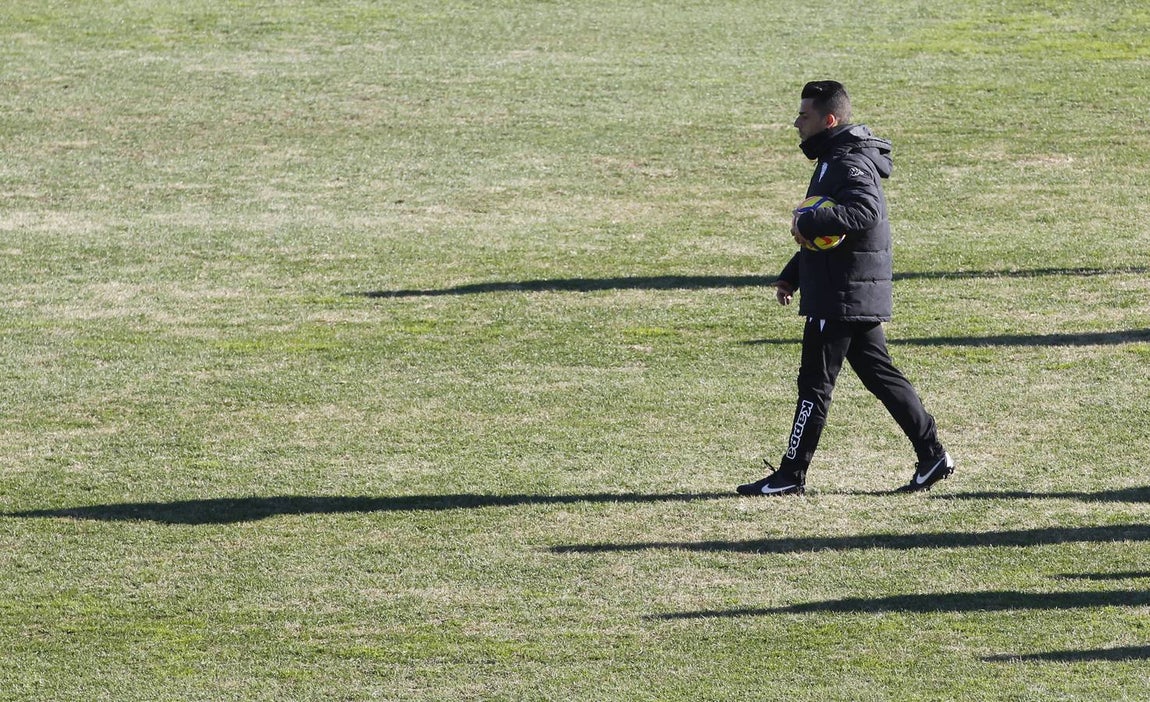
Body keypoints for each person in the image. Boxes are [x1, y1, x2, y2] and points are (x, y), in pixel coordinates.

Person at [737, 80, 953, 496]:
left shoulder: (848, 161)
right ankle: (932, 456)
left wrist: (807, 220)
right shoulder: (833, 158)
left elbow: (864, 211)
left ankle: (790, 475)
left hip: (840, 296)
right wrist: (793, 274)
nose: (796, 123)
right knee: (881, 376)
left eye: (804, 115)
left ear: (829, 119)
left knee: (814, 386)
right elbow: (828, 238)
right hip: (847, 290)